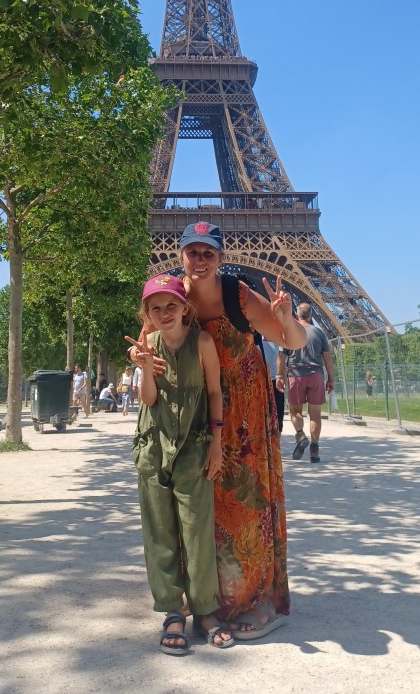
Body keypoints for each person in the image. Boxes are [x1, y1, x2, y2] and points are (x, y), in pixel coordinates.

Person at [129, 221, 307, 640]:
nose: (200, 260)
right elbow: (145, 345)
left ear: (221, 258)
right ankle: (204, 596)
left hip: (243, 413)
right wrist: (136, 358)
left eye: (209, 252)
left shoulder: (237, 294)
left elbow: (292, 341)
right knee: (204, 508)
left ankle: (255, 599)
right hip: (192, 414)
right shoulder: (169, 297)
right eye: (193, 251)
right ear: (181, 256)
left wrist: (285, 317)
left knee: (247, 505)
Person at [125, 274, 234, 655]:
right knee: (159, 533)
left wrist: (218, 444)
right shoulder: (148, 346)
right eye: (156, 308)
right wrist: (143, 368)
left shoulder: (203, 343)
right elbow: (150, 401)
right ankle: (173, 610)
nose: (164, 313)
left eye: (171, 305)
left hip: (194, 445)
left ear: (185, 307)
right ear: (148, 315)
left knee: (197, 532)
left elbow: (216, 392)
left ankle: (205, 610)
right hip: (153, 446)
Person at [277, 302, 335, 464]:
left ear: (297, 315)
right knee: (315, 415)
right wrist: (331, 378)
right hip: (315, 374)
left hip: (295, 375)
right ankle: (315, 448)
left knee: (295, 411)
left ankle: (300, 435)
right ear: (311, 316)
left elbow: (281, 357)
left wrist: (279, 376)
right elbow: (327, 358)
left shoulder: (289, 332)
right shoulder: (319, 333)